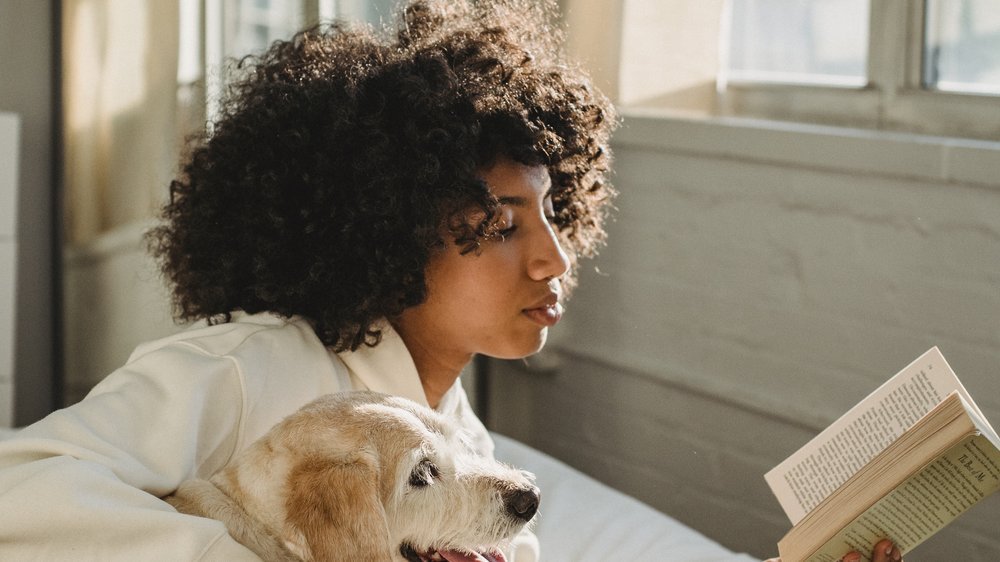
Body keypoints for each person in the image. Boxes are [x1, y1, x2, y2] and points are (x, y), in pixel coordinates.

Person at [0, 1, 900, 560]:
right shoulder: (251, 367)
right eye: (503, 226)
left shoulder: (454, 432)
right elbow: (23, 491)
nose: (553, 257)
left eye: (553, 215)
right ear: (386, 235)